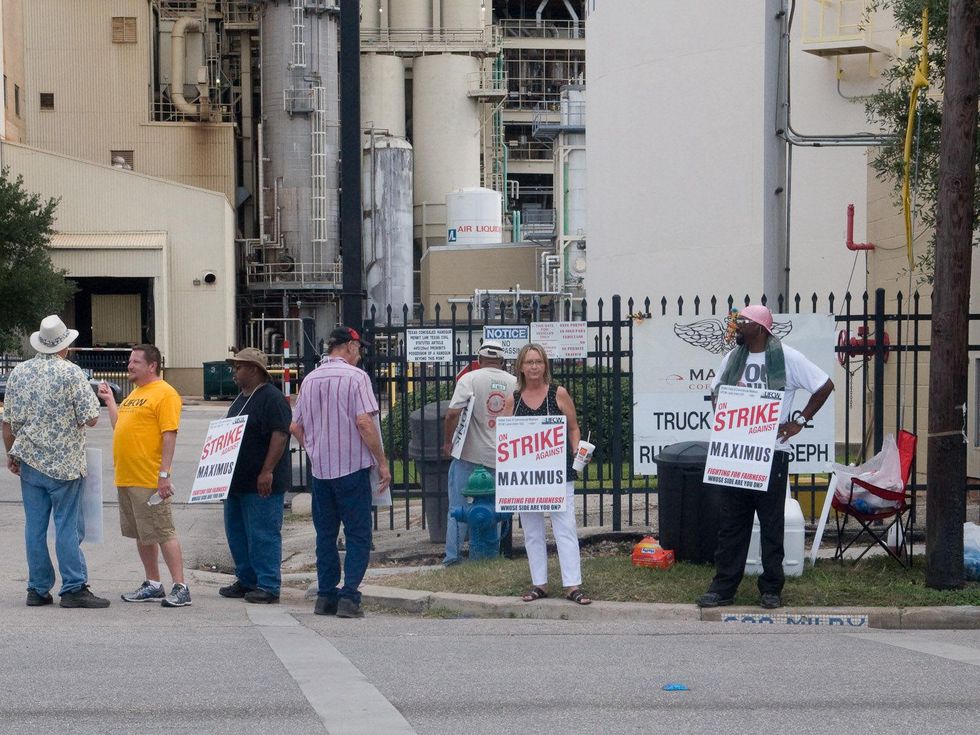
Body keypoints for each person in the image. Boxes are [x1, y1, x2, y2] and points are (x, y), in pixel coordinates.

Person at [696, 305, 834, 610]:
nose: (737, 328)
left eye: (742, 323)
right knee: (732, 523)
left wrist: (799, 420)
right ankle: (723, 588)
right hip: (738, 454)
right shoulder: (733, 358)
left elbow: (824, 385)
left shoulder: (787, 357)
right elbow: (715, 390)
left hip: (773, 453)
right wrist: (727, 413)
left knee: (772, 524)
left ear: (759, 328)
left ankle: (771, 589)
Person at [2, 315, 110, 608]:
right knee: (66, 525)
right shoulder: (71, 373)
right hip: (64, 463)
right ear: (64, 345)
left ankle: (37, 588)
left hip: (30, 460)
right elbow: (90, 418)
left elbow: (8, 423)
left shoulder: (19, 373)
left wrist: (12, 454)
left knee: (34, 527)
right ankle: (74, 586)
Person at [291, 326, 391, 618]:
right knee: (358, 533)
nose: (359, 355)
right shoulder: (356, 377)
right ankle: (349, 597)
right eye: (358, 349)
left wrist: (314, 448)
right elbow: (364, 423)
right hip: (352, 467)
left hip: (322, 470)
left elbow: (295, 425)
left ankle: (325, 596)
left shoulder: (309, 380)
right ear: (349, 346)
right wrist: (381, 461)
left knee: (326, 534)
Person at [98, 344, 191, 608]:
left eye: (135, 361)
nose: (129, 365)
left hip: (149, 478)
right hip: (127, 477)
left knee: (163, 531)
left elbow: (169, 434)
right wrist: (110, 402)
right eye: (130, 361)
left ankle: (180, 587)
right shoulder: (137, 393)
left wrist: (164, 475)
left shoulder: (165, 394)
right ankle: (152, 583)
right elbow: (120, 427)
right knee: (143, 533)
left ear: (152, 366)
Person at [503, 343, 591, 606]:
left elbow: (573, 427)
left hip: (557, 473)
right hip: (527, 477)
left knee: (565, 527)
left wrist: (577, 450)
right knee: (532, 531)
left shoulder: (558, 394)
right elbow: (505, 436)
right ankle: (539, 583)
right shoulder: (514, 400)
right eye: (529, 362)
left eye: (538, 362)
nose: (534, 367)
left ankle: (573, 585)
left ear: (545, 366)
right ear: (520, 366)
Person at [218, 347, 291, 604]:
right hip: (236, 481)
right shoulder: (241, 398)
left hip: (261, 482)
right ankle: (247, 579)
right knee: (237, 533)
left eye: (238, 367)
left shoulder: (271, 398)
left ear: (254, 370)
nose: (234, 372)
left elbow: (280, 434)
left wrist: (267, 470)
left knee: (263, 533)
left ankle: (268, 585)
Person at [441, 339, 516, 566]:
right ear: (502, 362)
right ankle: (494, 555)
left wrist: (447, 443)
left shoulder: (469, 379)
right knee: (499, 507)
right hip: (502, 456)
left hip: (469, 453)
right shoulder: (514, 382)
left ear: (479, 360)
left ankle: (452, 557)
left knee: (457, 507)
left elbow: (453, 414)